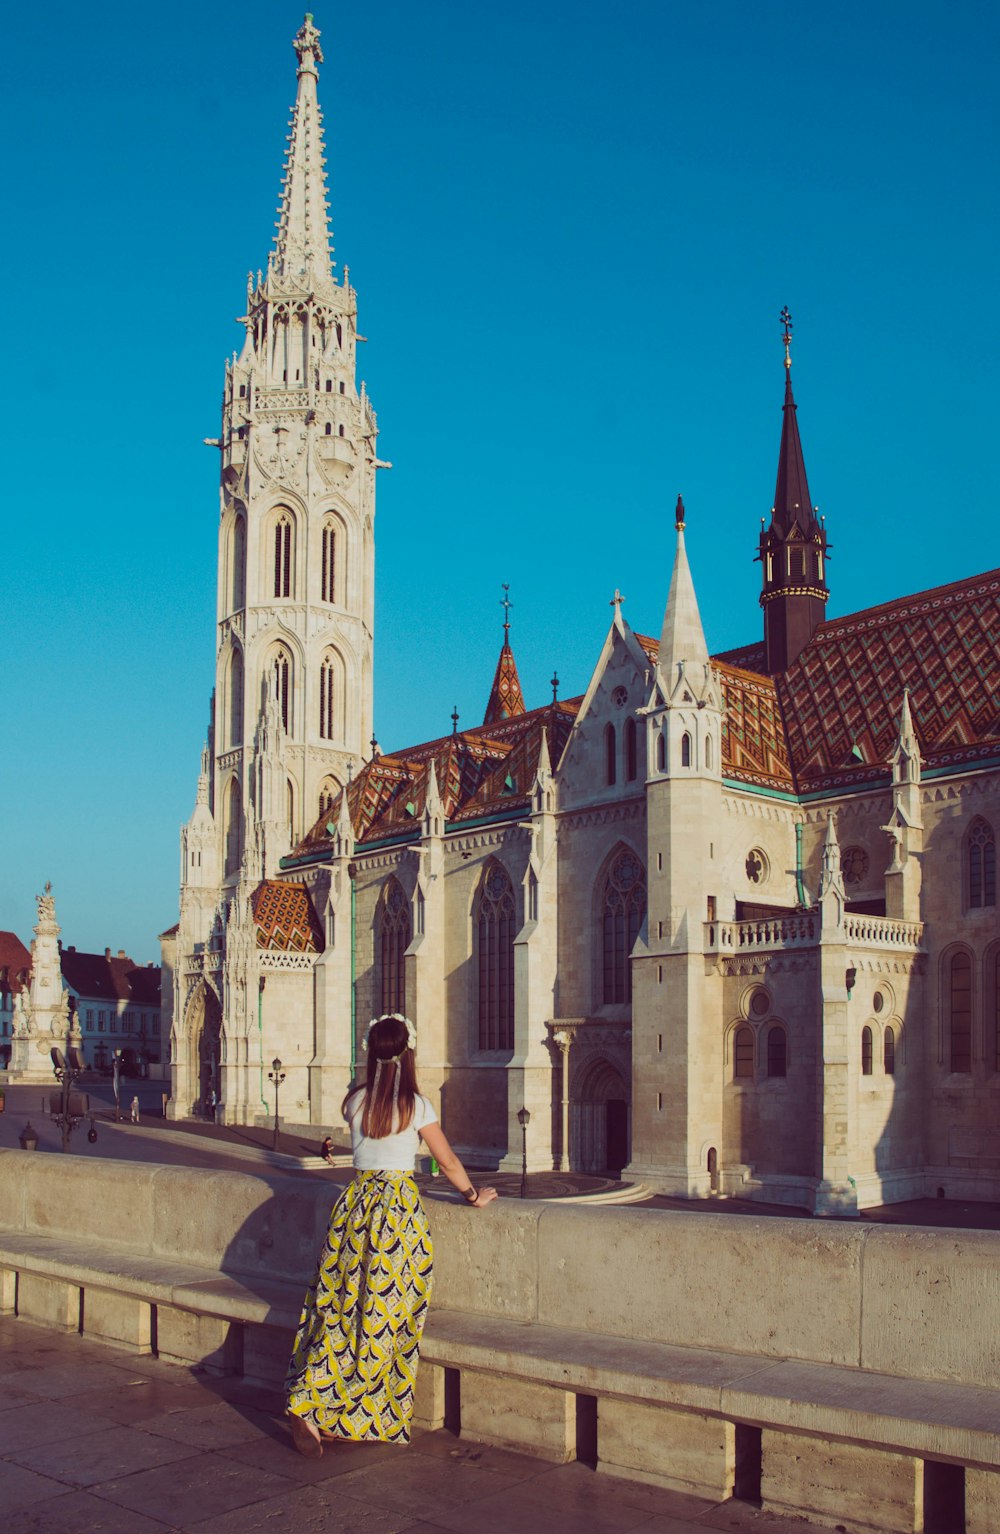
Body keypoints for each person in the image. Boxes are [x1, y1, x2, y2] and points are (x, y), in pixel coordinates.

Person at [285, 1012, 497, 1457]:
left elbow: (366, 1140)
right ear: (408, 1053)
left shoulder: (353, 1101)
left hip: (355, 1205)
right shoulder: (416, 1105)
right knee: (385, 1315)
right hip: (396, 1213)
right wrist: (473, 1194)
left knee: (339, 1306)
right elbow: (448, 1162)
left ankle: (321, 1406)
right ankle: (337, 1408)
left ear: (370, 1050)